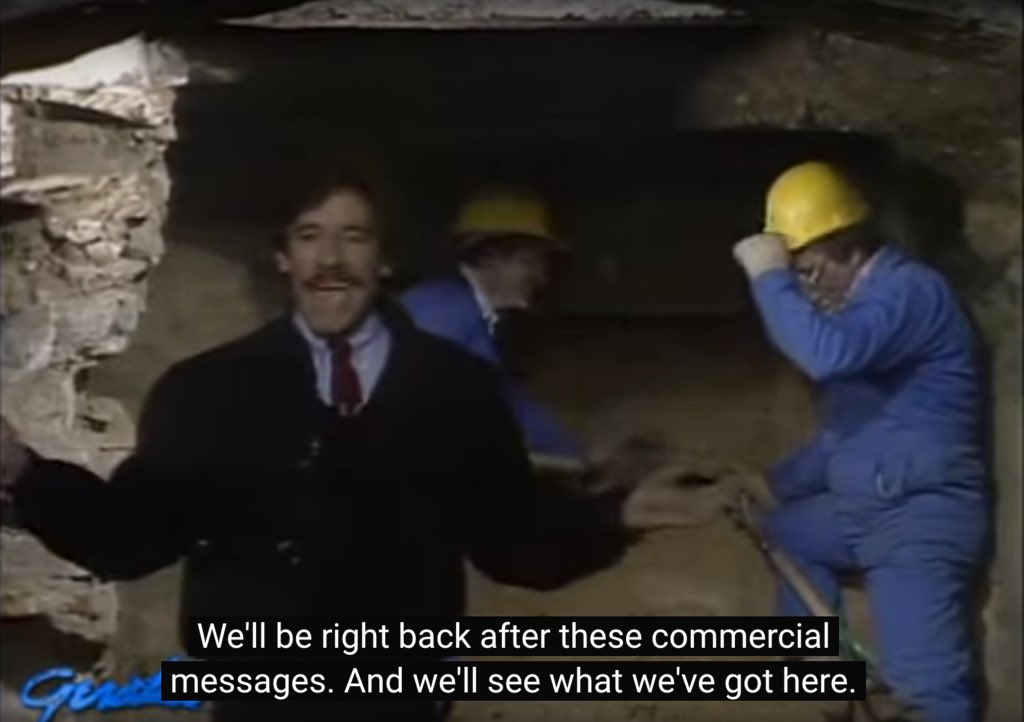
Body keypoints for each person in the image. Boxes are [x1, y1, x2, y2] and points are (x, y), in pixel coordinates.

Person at [0, 170, 696, 722]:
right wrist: (23, 473)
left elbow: (514, 543)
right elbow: (131, 539)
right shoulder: (207, 391)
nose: (330, 259)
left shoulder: (453, 388)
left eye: (354, 237)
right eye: (310, 235)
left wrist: (617, 517)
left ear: (384, 258)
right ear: (283, 254)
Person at [731, 161, 989, 722]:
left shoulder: (912, 292)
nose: (806, 287)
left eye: (807, 271)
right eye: (796, 275)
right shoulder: (864, 313)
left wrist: (768, 277)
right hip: (867, 507)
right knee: (789, 532)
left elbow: (826, 355)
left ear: (845, 247)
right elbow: (844, 436)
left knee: (928, 693)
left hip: (918, 519)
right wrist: (771, 483)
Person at [400, 187, 586, 467]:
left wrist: (572, 455)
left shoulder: (473, 312)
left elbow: (507, 401)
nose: (541, 278)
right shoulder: (440, 316)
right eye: (529, 261)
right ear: (489, 257)